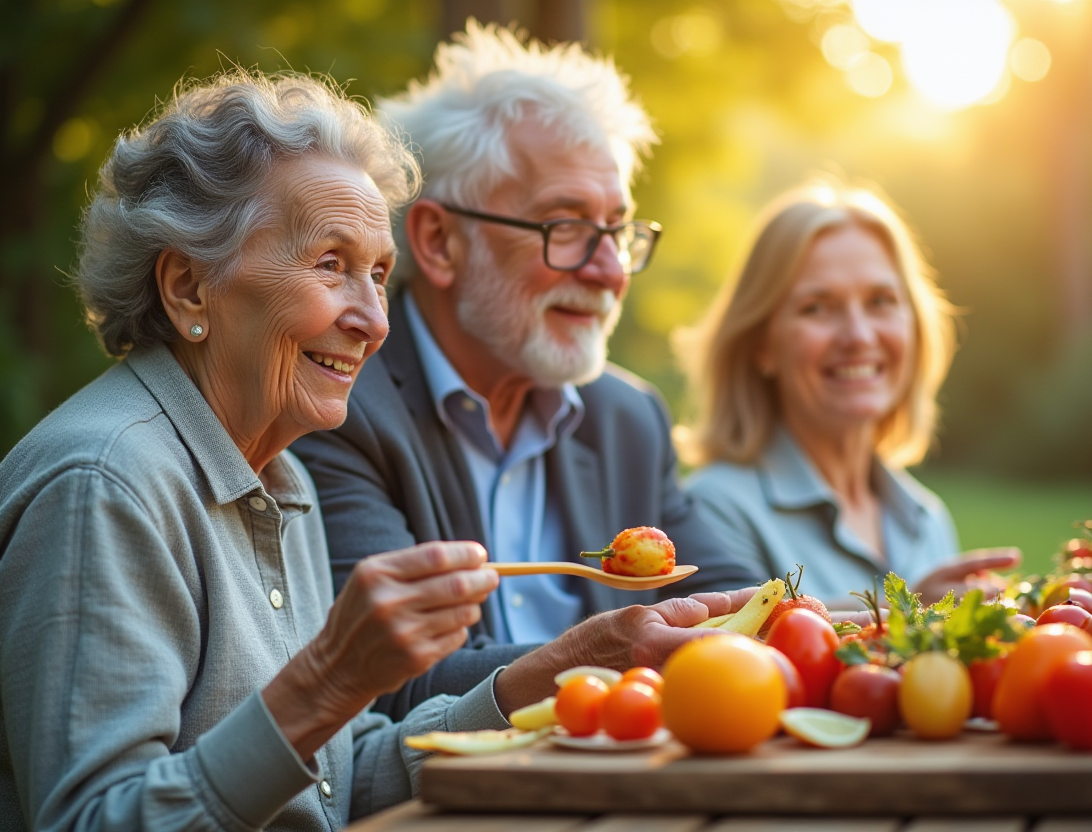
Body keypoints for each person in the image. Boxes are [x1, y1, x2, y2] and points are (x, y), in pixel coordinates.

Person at [0, 71, 514, 832]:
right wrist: (329, 681)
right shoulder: (104, 484)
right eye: (331, 264)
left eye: (378, 274)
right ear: (189, 286)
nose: (375, 321)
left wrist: (529, 686)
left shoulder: (281, 476)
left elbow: (333, 787)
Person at [290, 22, 767, 721]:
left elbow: (736, 601)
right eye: (565, 227)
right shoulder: (337, 407)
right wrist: (603, 657)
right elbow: (386, 684)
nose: (608, 272)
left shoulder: (627, 418)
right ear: (439, 241)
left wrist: (845, 617)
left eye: (617, 231)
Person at [675, 179, 1019, 610]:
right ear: (761, 345)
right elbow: (736, 642)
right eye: (816, 307)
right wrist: (908, 610)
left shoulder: (926, 518)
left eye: (881, 301)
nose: (858, 336)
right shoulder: (712, 509)